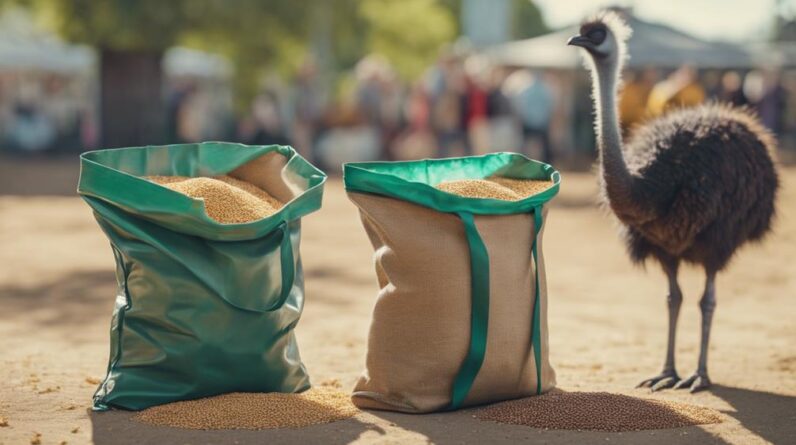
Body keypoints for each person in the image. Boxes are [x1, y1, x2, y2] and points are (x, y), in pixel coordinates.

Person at [504, 69, 554, 163]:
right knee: (544, 147)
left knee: (525, 145)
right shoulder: (545, 89)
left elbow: (519, 106)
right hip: (542, 122)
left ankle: (524, 163)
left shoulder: (525, 90)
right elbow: (550, 107)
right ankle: (545, 164)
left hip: (528, 122)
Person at [619, 68, 657, 134]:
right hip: (628, 129)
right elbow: (627, 114)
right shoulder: (630, 90)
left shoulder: (652, 91)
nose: (651, 81)